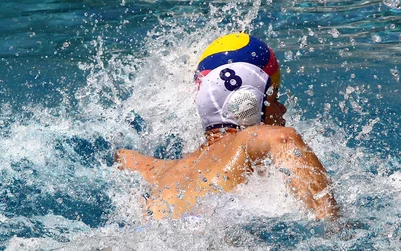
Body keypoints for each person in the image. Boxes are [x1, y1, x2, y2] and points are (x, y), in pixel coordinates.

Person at [115, 33, 338, 220]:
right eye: (273, 98)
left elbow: (123, 158)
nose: (282, 109)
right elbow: (285, 139)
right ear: (248, 104)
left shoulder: (165, 171)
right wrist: (334, 224)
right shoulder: (244, 142)